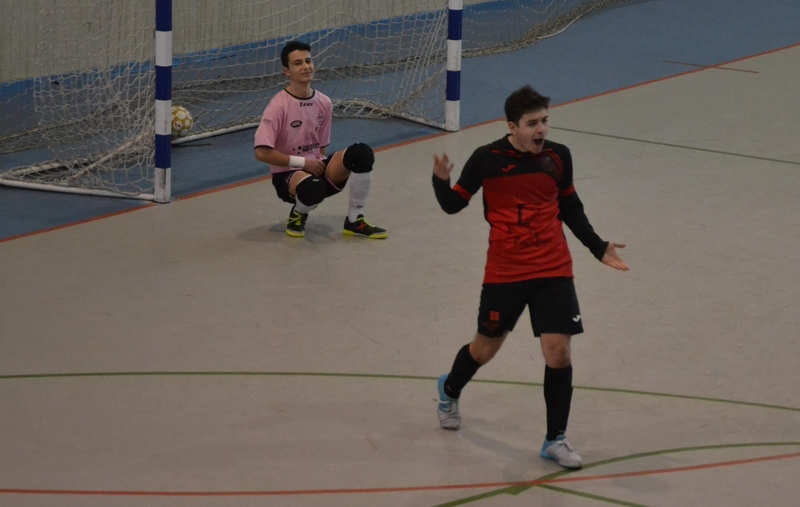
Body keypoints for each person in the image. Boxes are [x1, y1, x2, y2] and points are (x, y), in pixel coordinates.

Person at [431, 85, 628, 469]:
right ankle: (450, 388)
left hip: (553, 266)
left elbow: (570, 206)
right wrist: (440, 180)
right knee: (484, 350)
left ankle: (555, 439)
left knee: (559, 353)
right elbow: (454, 205)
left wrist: (597, 246)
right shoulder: (486, 159)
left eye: (545, 121)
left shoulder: (558, 157)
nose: (541, 130)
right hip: (505, 270)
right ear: (512, 126)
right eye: (532, 123)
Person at [255, 40, 388, 239]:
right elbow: (261, 152)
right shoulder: (278, 106)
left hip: (315, 167)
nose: (305, 67)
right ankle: (298, 214)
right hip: (287, 176)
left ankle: (354, 219)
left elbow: (322, 149)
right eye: (297, 63)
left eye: (308, 61)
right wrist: (303, 163)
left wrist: (315, 165)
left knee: (362, 153)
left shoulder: (324, 102)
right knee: (313, 187)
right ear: (286, 71)